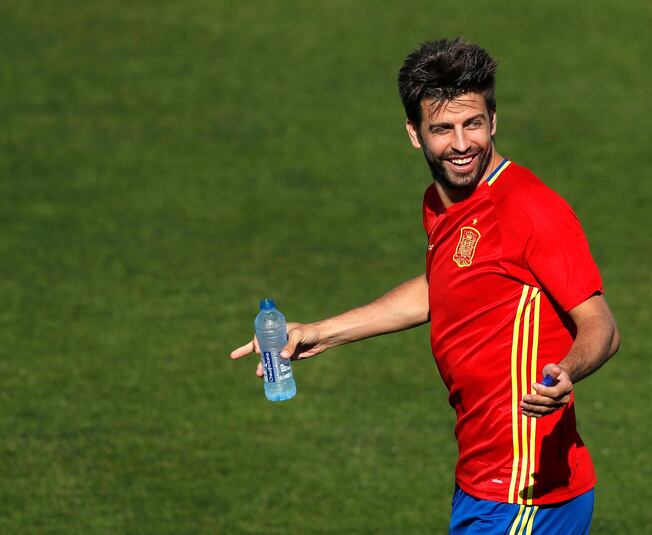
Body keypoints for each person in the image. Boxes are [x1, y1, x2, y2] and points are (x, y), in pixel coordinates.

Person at [230, 38, 620, 535]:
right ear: (415, 134)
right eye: (442, 129)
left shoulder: (529, 208)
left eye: (473, 123)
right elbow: (445, 286)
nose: (461, 144)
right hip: (483, 480)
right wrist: (321, 333)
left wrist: (568, 370)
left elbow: (601, 325)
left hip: (527, 491)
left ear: (493, 120)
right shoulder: (442, 204)